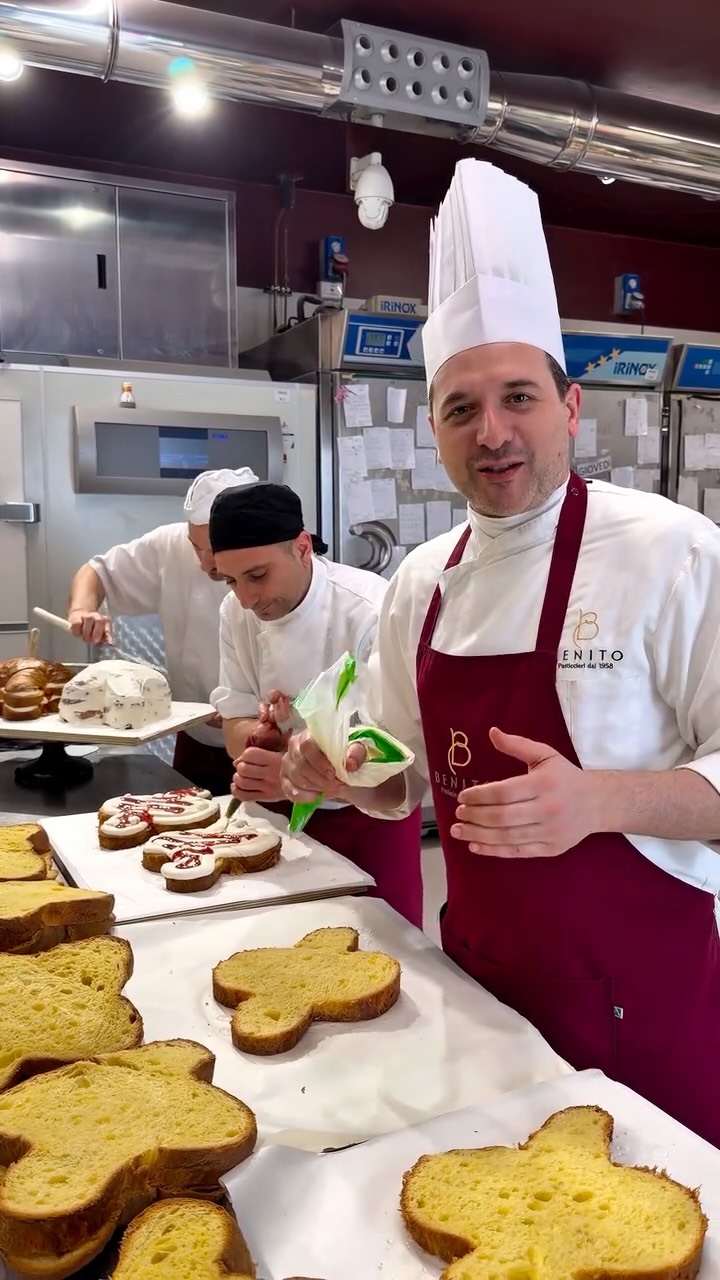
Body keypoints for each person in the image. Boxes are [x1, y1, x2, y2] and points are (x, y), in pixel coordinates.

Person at [281, 158, 720, 1147]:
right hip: (478, 994)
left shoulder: (674, 554)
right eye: (461, 407)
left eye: (519, 397)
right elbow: (394, 773)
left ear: (571, 408)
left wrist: (601, 798)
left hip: (640, 1008)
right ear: (435, 430)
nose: (494, 431)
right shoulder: (424, 581)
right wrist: (340, 772)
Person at [208, 480, 424, 928]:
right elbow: (233, 722)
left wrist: (295, 770)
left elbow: (398, 759)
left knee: (384, 952)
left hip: (368, 819)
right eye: (230, 580)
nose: (246, 599)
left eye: (257, 575)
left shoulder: (369, 610)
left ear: (302, 548)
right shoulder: (235, 612)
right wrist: (261, 738)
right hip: (278, 821)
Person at [66, 466, 259, 793]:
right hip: (196, 735)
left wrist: (244, 713)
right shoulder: (170, 546)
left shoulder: (273, 569)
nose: (204, 564)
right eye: (195, 547)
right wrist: (82, 609)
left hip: (261, 745)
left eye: (215, 550)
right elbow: (96, 572)